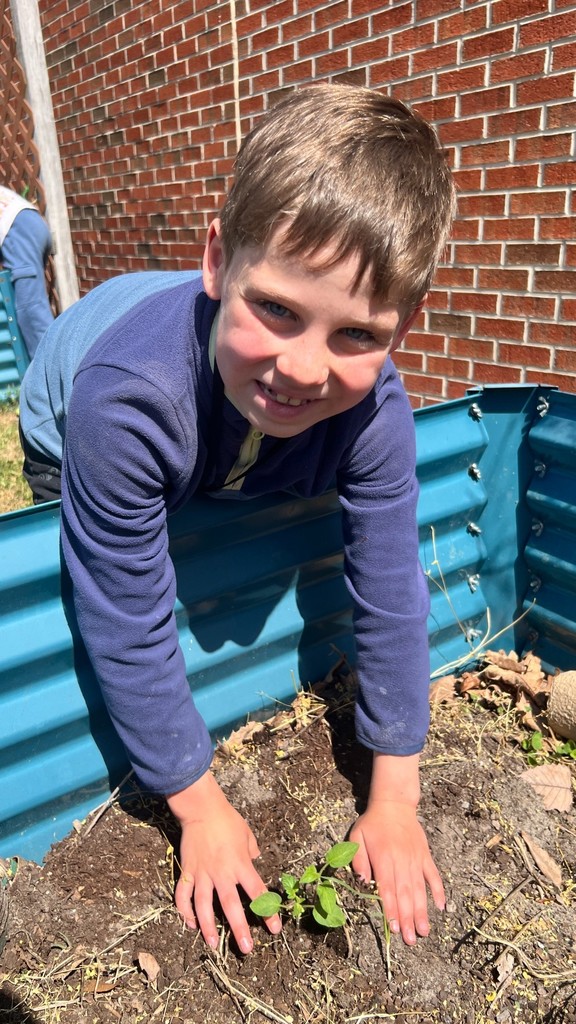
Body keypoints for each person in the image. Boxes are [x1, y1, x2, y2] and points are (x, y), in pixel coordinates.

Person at [19, 85, 456, 955]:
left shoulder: (375, 413)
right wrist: (199, 804)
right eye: (279, 309)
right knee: (47, 355)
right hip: (76, 392)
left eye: (358, 335)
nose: (303, 367)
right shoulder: (125, 405)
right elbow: (125, 615)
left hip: (205, 402)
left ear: (402, 328)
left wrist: (394, 797)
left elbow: (393, 588)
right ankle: (24, 251)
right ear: (218, 261)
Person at [0, 185, 54, 360]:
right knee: (28, 307)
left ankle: (50, 375)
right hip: (31, 222)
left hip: (18, 230)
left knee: (31, 311)